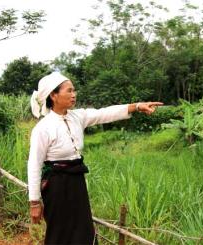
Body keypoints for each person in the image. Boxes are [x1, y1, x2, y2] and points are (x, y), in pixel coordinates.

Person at [28, 72, 163, 244]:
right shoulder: (43, 128)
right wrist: (34, 202)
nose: (74, 94)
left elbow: (104, 113)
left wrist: (137, 106)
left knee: (82, 227)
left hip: (77, 181)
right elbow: (34, 165)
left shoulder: (78, 116)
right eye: (69, 91)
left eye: (74, 90)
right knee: (60, 230)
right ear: (53, 95)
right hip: (56, 186)